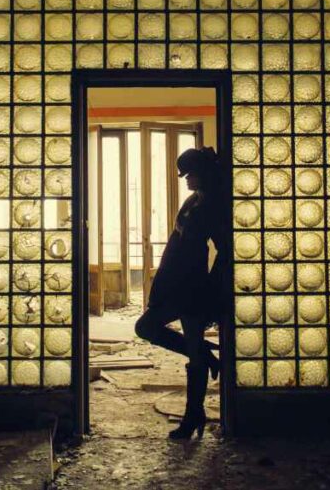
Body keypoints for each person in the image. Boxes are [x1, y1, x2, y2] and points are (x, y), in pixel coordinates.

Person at [134, 146, 228, 440]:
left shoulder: (212, 207)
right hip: (175, 282)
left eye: (190, 174)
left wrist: (213, 287)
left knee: (160, 333)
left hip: (193, 287)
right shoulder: (193, 201)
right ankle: (205, 358)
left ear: (204, 174)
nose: (186, 180)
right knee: (146, 327)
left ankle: (193, 415)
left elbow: (225, 250)